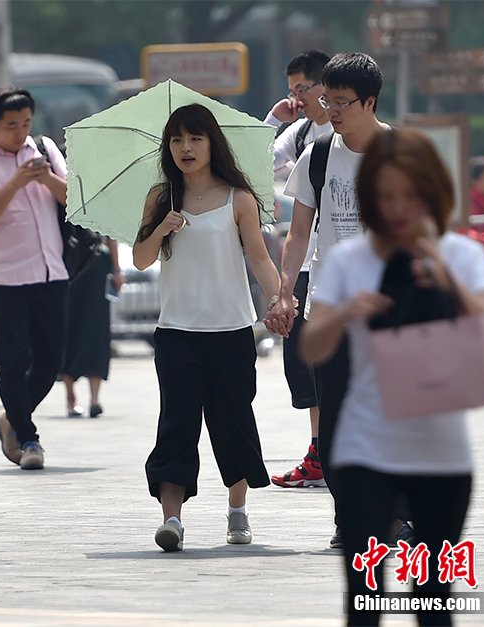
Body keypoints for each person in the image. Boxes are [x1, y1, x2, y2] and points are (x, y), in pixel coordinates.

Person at [300, 128, 484, 626]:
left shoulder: (461, 255)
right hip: (365, 449)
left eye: (410, 194)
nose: (397, 207)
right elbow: (312, 346)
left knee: (433, 602)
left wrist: (447, 278)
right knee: (364, 605)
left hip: (442, 452)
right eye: (384, 194)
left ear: (431, 191)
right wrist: (346, 311)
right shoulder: (350, 259)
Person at [133, 104, 284, 551]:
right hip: (176, 331)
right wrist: (162, 228)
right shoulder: (161, 198)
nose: (186, 148)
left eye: (195, 139)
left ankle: (237, 511)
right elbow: (141, 258)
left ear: (212, 143)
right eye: (177, 140)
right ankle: (172, 520)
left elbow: (258, 255)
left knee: (232, 422)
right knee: (176, 425)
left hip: (231, 330)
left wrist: (279, 297)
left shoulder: (239, 198)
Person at [264, 51, 389, 548]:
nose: (331, 110)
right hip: (329, 314)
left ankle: (393, 512)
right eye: (326, 99)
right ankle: (349, 520)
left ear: (370, 101)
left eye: (341, 102)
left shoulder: (402, 154)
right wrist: (285, 290)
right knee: (334, 426)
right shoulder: (317, 155)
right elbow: (298, 234)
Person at [0, 87, 69, 471]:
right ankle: (27, 438)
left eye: (25, 123)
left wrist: (46, 179)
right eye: (11, 126)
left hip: (52, 270)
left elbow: (75, 199)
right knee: (12, 361)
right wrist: (16, 183)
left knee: (50, 359)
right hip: (5, 276)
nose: (21, 133)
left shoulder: (43, 148)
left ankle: (9, 417)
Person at [263, 49, 332, 489]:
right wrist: (273, 118)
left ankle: (336, 454)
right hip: (306, 266)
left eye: (301, 89)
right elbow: (256, 164)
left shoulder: (361, 138)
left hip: (343, 268)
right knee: (306, 367)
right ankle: (320, 452)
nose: (297, 98)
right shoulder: (300, 133)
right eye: (290, 91)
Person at [61, 238, 125, 418]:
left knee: (97, 331)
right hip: (68, 265)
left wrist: (117, 269)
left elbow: (110, 232)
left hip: (97, 265)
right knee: (69, 330)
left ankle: (95, 400)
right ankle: (70, 397)